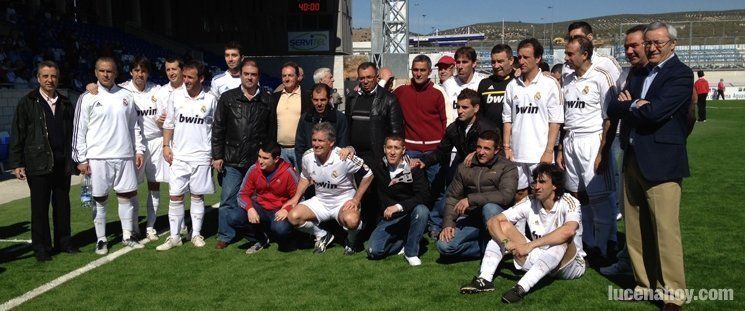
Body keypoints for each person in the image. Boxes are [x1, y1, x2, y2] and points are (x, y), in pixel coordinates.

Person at [607, 21, 692, 309]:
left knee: (665, 230)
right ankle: (644, 285)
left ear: (672, 45)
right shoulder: (638, 72)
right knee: (635, 229)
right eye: (649, 42)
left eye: (659, 42)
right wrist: (635, 105)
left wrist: (633, 105)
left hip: (662, 162)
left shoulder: (680, 74)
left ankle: (673, 294)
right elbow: (612, 107)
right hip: (632, 157)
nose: (653, 47)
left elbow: (655, 113)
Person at [460, 164, 584, 304]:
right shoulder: (530, 201)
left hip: (569, 264)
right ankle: (484, 279)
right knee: (501, 228)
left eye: (542, 182)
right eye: (535, 182)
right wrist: (506, 242)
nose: (536, 186)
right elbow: (493, 222)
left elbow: (569, 230)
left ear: (555, 185)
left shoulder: (570, 202)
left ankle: (520, 288)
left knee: (562, 240)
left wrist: (530, 245)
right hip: (539, 258)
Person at [73, 57, 146, 254]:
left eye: (110, 71)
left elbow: (134, 126)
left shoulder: (127, 96)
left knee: (126, 196)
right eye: (102, 71)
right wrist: (81, 159)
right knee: (99, 199)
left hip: (123, 155)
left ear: (116, 73)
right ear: (96, 72)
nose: (106, 74)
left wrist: (138, 149)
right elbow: (79, 130)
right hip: (98, 157)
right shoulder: (87, 97)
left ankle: (127, 235)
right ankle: (101, 239)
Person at [9, 61, 79, 261]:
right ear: (38, 78)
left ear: (58, 78)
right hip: (37, 163)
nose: (50, 80)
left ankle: (64, 242)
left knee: (62, 205)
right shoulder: (27, 102)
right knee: (39, 208)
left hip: (62, 163)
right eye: (46, 76)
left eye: (53, 76)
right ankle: (41, 248)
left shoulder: (65, 103)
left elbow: (73, 134)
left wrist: (75, 159)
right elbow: (18, 133)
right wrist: (17, 163)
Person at [558, 36, 616, 260]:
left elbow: (609, 118)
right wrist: (563, 147)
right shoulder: (568, 79)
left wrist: (602, 151)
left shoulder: (600, 78)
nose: (567, 58)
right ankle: (587, 245)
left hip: (592, 140)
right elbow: (567, 117)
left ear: (585, 54)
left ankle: (606, 246)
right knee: (577, 195)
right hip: (571, 140)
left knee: (599, 196)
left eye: (571, 54)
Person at [413, 89, 497, 239]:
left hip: (485, 176)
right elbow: (441, 151)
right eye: (458, 107)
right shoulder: (454, 127)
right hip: (463, 172)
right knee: (446, 201)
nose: (459, 111)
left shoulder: (487, 127)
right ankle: (435, 226)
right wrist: (424, 162)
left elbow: (497, 153)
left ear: (476, 108)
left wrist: (476, 154)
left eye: (464, 107)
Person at [600, 24, 649, 277]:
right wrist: (632, 106)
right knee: (630, 213)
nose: (629, 51)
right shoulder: (624, 76)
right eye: (626, 46)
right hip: (627, 149)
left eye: (634, 45)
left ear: (648, 44)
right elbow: (613, 111)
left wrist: (627, 105)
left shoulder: (660, 75)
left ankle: (654, 271)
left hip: (655, 154)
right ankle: (628, 261)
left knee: (655, 219)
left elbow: (683, 114)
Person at [212, 58, 277, 250]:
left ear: (259, 77)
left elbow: (271, 131)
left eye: (253, 74)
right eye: (246, 74)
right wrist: (217, 155)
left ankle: (258, 233)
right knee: (227, 199)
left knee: (258, 201)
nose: (249, 77)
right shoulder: (227, 98)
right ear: (240, 75)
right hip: (232, 159)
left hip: (257, 161)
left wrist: (269, 158)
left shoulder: (267, 99)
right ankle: (225, 235)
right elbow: (218, 128)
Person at [284, 122, 374, 255]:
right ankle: (322, 235)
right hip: (321, 201)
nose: (316, 144)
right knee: (293, 217)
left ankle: (351, 240)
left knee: (352, 220)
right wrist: (296, 198)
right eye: (314, 140)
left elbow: (369, 174)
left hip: (343, 202)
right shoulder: (307, 156)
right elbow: (304, 177)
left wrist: (355, 200)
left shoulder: (343, 157)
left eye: (321, 140)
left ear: (331, 143)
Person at [156, 61, 217, 251]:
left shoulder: (211, 99)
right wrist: (166, 145)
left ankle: (196, 234)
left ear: (201, 78)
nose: (186, 81)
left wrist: (214, 154)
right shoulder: (175, 96)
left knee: (197, 196)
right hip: (179, 155)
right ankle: (174, 236)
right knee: (175, 196)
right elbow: (169, 124)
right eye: (185, 77)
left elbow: (216, 128)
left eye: (190, 77)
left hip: (201, 155)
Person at [436, 130, 517, 260]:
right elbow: (453, 198)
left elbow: (506, 195)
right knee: (444, 246)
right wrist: (448, 224)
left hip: (497, 218)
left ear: (496, 150)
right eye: (479, 147)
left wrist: (471, 199)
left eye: (486, 149)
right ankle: (487, 249)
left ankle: (493, 250)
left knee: (489, 207)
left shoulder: (507, 167)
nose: (481, 152)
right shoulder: (465, 166)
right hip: (472, 218)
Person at [503, 38, 563, 202]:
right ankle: (521, 228)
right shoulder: (512, 86)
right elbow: (507, 119)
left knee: (543, 197)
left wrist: (549, 151)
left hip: (539, 153)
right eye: (519, 57)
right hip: (517, 153)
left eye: (526, 57)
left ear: (538, 59)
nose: (521, 61)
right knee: (519, 195)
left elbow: (555, 121)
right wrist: (507, 146)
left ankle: (544, 228)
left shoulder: (549, 84)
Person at [117, 56, 167, 242]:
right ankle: (135, 227)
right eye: (136, 70)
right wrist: (92, 87)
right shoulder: (122, 90)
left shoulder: (157, 90)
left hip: (155, 142)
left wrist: (163, 120)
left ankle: (151, 226)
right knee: (132, 188)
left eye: (143, 70)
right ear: (131, 72)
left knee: (154, 185)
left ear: (148, 73)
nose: (140, 74)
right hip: (132, 145)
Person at [367, 135, 430, 266]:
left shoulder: (413, 168)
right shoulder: (378, 166)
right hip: (388, 219)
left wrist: (398, 206)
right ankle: (405, 241)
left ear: (403, 150)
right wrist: (349, 149)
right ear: (384, 149)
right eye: (389, 147)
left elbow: (423, 196)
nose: (392, 152)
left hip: (408, 215)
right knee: (374, 251)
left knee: (422, 210)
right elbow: (359, 163)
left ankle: (411, 252)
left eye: (396, 148)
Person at [230, 142, 297, 253]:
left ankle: (289, 238)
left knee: (281, 229)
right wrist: (250, 208)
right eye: (259, 156)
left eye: (265, 158)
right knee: (233, 217)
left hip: (279, 210)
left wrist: (287, 209)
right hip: (260, 207)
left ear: (276, 159)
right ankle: (260, 239)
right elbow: (242, 194)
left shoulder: (288, 173)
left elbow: (299, 197)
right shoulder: (254, 169)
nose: (260, 161)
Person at [393, 54, 448, 182]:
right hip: (410, 151)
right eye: (415, 70)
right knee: (408, 189)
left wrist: (443, 147)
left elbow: (446, 121)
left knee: (437, 191)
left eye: (422, 70)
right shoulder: (402, 91)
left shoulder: (438, 93)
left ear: (429, 71)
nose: (418, 74)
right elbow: (382, 97)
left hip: (434, 151)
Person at [295, 83, 350, 172]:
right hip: (311, 168)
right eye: (316, 100)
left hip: (333, 169)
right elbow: (300, 146)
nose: (319, 104)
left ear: (329, 99)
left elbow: (343, 145)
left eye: (323, 100)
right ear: (312, 100)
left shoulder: (339, 118)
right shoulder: (306, 118)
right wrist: (304, 170)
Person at [273, 61, 312, 168]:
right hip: (280, 151)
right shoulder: (275, 97)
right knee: (283, 183)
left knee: (303, 182)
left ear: (298, 77)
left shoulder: (308, 97)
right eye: (284, 76)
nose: (287, 79)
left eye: (290, 75)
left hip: (300, 150)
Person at [478, 44, 516, 131]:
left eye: (500, 61)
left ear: (511, 60)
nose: (496, 66)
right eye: (493, 62)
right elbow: (480, 115)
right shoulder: (484, 84)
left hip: (513, 139)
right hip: (490, 139)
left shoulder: (519, 82)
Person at [443, 47, 488, 118]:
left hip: (478, 127)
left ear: (474, 63)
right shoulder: (448, 84)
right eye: (458, 62)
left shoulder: (483, 81)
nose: (460, 66)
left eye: (464, 62)